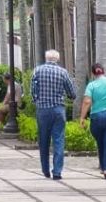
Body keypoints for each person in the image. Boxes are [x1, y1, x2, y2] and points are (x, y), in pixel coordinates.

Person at [31, 49, 76, 180]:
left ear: (46, 58)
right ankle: (57, 171)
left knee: (43, 140)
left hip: (43, 110)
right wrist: (69, 96)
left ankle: (45, 170)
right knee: (58, 140)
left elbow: (33, 90)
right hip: (58, 110)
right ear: (57, 59)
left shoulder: (37, 71)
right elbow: (72, 93)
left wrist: (37, 101)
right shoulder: (63, 72)